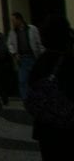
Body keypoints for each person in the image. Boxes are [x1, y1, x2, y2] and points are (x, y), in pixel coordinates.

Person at [25, 15, 74, 161]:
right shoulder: (69, 61)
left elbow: (32, 86)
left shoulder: (41, 61)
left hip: (46, 125)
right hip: (68, 123)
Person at [8, 12, 44, 100]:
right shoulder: (13, 32)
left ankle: (37, 97)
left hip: (32, 56)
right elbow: (10, 44)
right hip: (22, 58)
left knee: (35, 79)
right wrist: (14, 53)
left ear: (19, 19)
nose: (12, 23)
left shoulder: (32, 29)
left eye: (14, 20)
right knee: (22, 80)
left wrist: (42, 55)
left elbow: (38, 42)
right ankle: (25, 99)